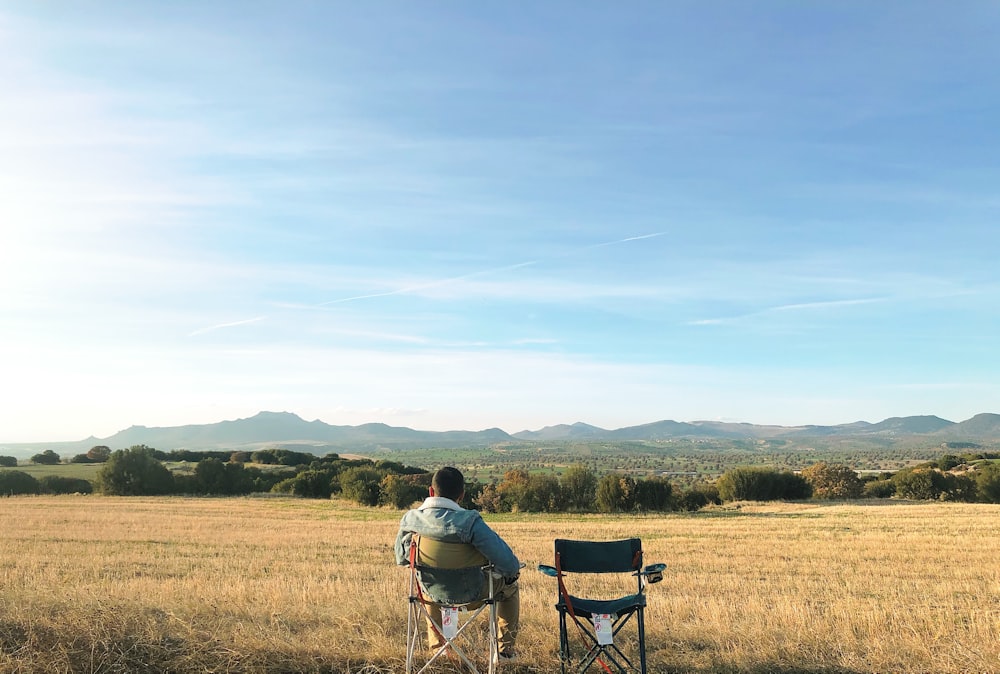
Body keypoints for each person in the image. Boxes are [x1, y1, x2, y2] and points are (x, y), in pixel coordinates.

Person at [395, 466, 521, 661]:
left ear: (431, 491)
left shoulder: (410, 519)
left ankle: (438, 650)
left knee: (428, 582)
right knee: (510, 587)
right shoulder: (470, 522)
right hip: (473, 595)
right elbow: (510, 565)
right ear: (461, 495)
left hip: (433, 594)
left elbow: (401, 558)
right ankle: (504, 652)